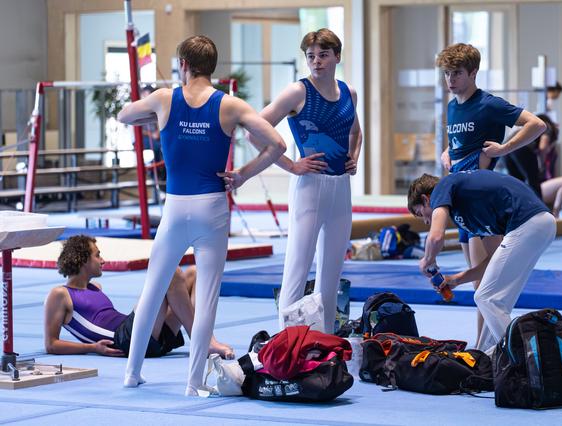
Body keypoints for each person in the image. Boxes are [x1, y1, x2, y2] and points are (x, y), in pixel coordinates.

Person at [117, 35, 286, 395]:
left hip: (176, 207)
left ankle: (131, 374)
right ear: (212, 67)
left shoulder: (165, 99)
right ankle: (193, 383)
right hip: (212, 207)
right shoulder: (231, 105)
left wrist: (159, 116)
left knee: (153, 289)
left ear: (182, 64)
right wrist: (243, 174)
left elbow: (123, 114)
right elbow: (278, 145)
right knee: (207, 295)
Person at [250, 28, 362, 334]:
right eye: (311, 56)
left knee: (330, 276)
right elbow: (253, 131)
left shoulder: (348, 93)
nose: (317, 62)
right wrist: (290, 165)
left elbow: (355, 132)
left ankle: (324, 343)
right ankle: (285, 342)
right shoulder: (298, 92)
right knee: (296, 272)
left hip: (341, 188)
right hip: (310, 187)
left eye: (323, 55)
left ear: (337, 56)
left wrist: (354, 157)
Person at [435, 43, 546, 344]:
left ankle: (489, 349)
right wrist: (448, 152)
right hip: (461, 200)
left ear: (473, 73)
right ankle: (482, 346)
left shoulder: (489, 105)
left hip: (480, 203)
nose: (450, 80)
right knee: (477, 285)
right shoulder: (452, 106)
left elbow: (537, 124)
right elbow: (459, 142)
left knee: (486, 283)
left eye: (456, 73)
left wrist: (505, 148)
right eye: (446, 74)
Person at [407, 170, 556, 352]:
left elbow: (436, 237)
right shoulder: (468, 213)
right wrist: (455, 279)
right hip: (539, 225)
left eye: (420, 213)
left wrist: (428, 259)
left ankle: (521, 359)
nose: (425, 221)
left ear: (426, 199)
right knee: (496, 303)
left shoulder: (442, 188)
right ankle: (488, 354)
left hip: (527, 223)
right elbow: (492, 261)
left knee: (486, 297)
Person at [44, 235, 234, 359]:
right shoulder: (60, 294)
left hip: (144, 335)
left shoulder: (96, 287)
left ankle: (203, 340)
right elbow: (51, 344)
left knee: (193, 273)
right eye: (97, 256)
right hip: (124, 340)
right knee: (170, 272)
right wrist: (92, 347)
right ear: (83, 259)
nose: (103, 260)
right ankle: (204, 341)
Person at [504, 114, 562, 218]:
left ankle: (517, 215)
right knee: (534, 182)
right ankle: (541, 215)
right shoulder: (547, 127)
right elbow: (543, 147)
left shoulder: (531, 126)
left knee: (517, 184)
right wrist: (541, 163)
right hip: (522, 147)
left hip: (507, 148)